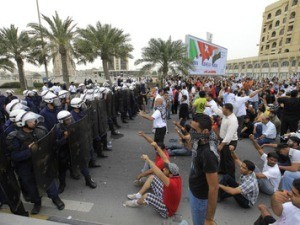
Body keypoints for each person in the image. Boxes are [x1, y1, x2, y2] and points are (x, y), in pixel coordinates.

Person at [6, 111, 64, 214]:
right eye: (31, 121)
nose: (35, 122)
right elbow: (14, 156)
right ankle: (37, 203)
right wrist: (30, 151)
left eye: (34, 120)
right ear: (22, 123)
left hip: (41, 163)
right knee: (32, 188)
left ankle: (55, 198)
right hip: (26, 168)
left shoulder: (40, 131)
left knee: (49, 182)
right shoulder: (15, 138)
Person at [125, 154, 182, 219]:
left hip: (167, 210)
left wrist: (147, 159)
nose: (163, 169)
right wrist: (156, 146)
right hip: (165, 195)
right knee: (152, 177)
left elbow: (159, 173)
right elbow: (165, 158)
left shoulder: (171, 183)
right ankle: (138, 195)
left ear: (171, 174)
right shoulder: (177, 176)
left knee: (147, 196)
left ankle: (136, 203)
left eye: (166, 169)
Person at [188, 113, 219, 225]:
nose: (191, 132)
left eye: (194, 130)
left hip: (200, 198)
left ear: (205, 131)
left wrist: (209, 218)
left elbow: (214, 187)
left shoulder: (208, 154)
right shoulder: (202, 138)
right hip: (194, 188)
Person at [211, 103, 238, 178]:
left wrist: (221, 145)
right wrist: (211, 105)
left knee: (228, 159)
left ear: (227, 110)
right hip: (223, 139)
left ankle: (231, 177)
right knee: (222, 156)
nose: (221, 110)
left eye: (223, 108)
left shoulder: (233, 120)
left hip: (230, 141)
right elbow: (218, 111)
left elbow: (229, 135)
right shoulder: (225, 115)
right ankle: (223, 170)